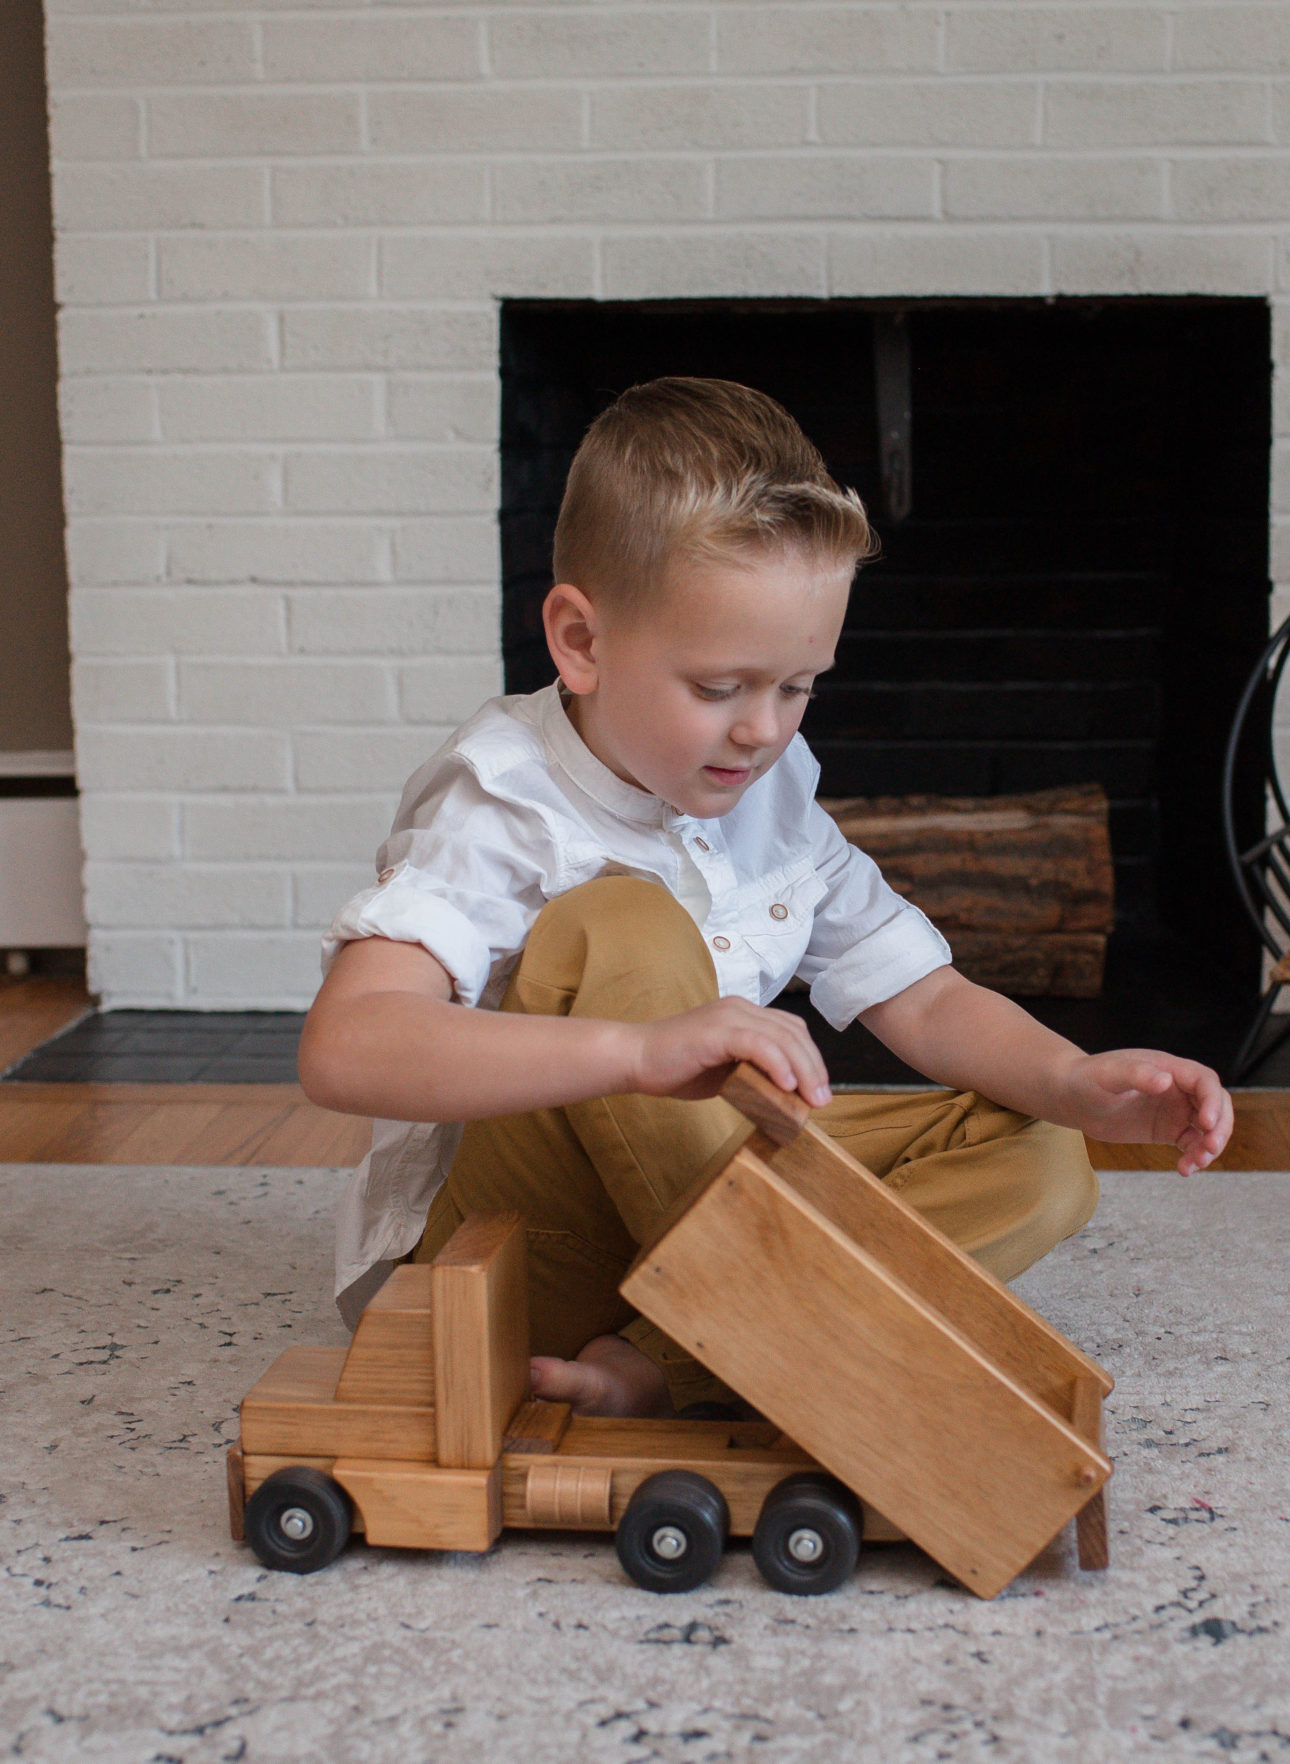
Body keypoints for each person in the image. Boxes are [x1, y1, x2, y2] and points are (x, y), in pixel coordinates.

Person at [298, 376, 1232, 1418]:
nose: (763, 729)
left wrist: (1076, 1079)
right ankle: (784, 1323)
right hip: (517, 1254)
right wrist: (637, 1056)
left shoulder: (768, 789)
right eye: (717, 688)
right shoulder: (503, 796)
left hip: (692, 1214)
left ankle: (666, 1360)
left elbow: (918, 998)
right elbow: (347, 1047)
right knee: (619, 922)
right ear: (581, 642)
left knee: (1039, 1152)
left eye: (797, 686)